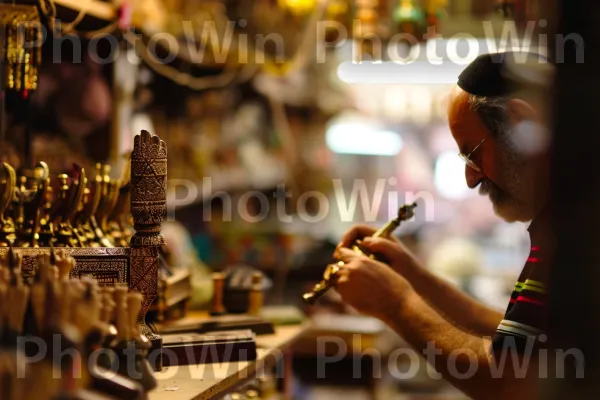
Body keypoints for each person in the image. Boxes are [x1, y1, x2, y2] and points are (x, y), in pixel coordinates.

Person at [333, 52, 554, 399]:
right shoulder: (561, 220)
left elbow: (510, 379)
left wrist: (396, 303)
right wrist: (412, 277)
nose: (470, 178)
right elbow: (516, 341)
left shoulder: (575, 230)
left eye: (473, 153)